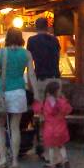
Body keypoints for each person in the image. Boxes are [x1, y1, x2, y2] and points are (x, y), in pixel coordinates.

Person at [0, 27, 35, 168]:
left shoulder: (1, 53)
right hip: (19, 92)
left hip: (2, 92)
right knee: (15, 127)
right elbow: (31, 75)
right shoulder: (26, 54)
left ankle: (3, 159)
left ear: (7, 38)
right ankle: (15, 160)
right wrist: (36, 92)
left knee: (0, 126)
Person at [27, 17, 62, 153]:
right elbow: (58, 57)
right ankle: (55, 144)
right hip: (55, 79)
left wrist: (30, 82)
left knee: (42, 114)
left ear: (36, 27)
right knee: (54, 113)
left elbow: (30, 62)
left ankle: (44, 144)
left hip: (41, 79)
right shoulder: (55, 40)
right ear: (48, 27)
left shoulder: (32, 41)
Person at [40, 79, 72, 168]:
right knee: (61, 145)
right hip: (60, 127)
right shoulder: (61, 102)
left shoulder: (46, 102)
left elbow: (44, 112)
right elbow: (68, 109)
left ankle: (52, 166)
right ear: (57, 91)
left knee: (51, 148)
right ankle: (65, 159)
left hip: (50, 129)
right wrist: (64, 100)